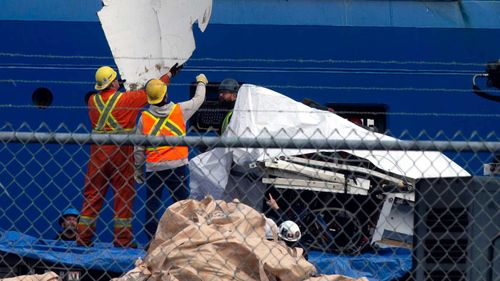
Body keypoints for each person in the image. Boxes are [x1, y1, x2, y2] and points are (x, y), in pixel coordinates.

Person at [77, 64, 183, 248]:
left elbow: (109, 103)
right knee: (123, 195)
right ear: (113, 83)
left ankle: (83, 238)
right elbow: (150, 91)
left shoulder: (92, 101)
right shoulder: (127, 99)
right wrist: (169, 75)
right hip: (122, 152)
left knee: (92, 194)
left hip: (98, 152)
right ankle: (122, 240)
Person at [134, 73, 207, 242]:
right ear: (165, 94)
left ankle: (152, 240)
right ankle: (187, 238)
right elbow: (199, 99)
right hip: (178, 166)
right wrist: (201, 82)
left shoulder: (144, 119)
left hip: (154, 168)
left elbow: (138, 148)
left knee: (152, 205)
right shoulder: (179, 110)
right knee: (183, 204)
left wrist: (138, 170)